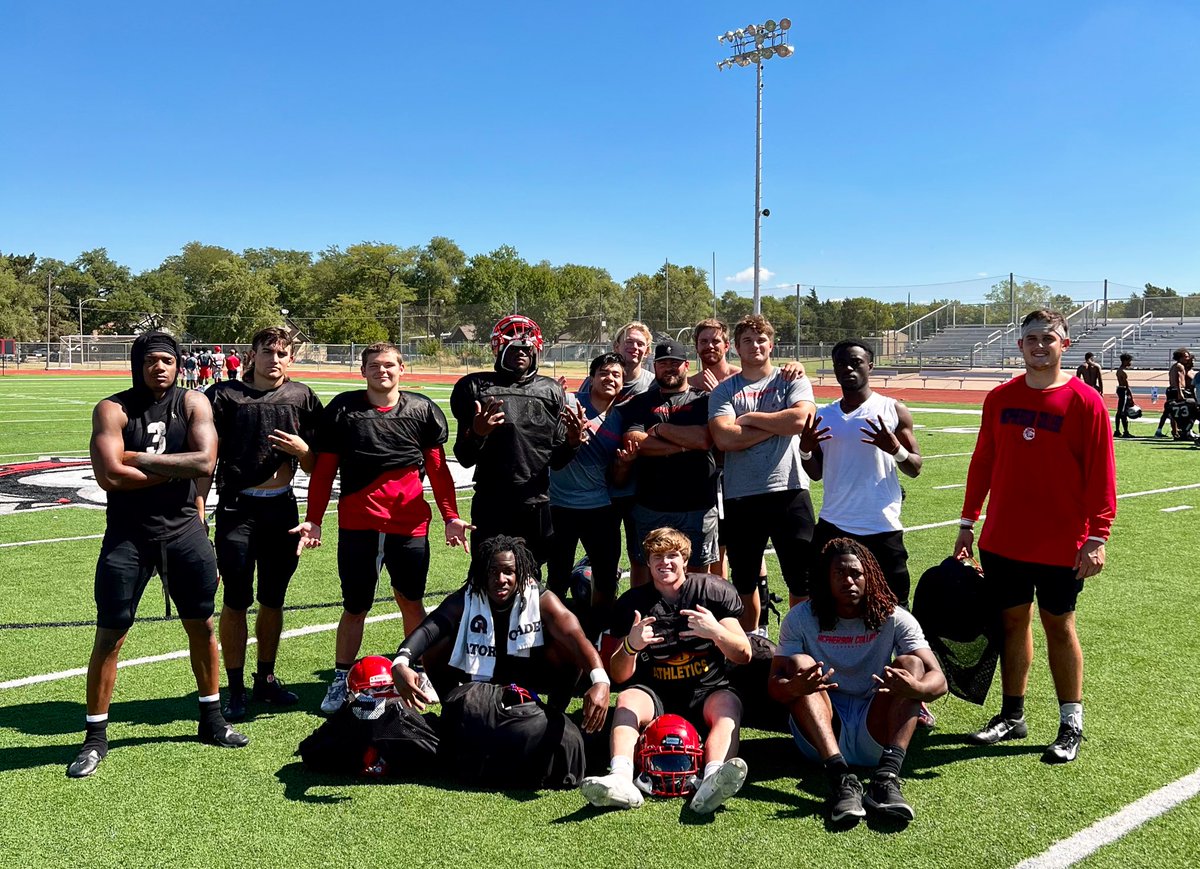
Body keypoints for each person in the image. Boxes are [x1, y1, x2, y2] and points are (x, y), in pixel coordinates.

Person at [68, 332, 246, 778]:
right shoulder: (113, 408)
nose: (160, 367)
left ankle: (212, 719)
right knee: (110, 634)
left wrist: (138, 459)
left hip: (185, 531)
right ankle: (95, 737)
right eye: (151, 360)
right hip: (128, 536)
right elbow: (110, 476)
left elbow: (204, 463)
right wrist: (173, 469)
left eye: (167, 360)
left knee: (202, 625)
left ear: (178, 363)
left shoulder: (193, 403)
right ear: (138, 364)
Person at [955, 309, 1116, 764]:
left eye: (1049, 338)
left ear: (1064, 344)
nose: (1040, 346)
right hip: (1003, 538)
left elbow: (1101, 472)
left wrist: (1098, 536)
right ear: (1020, 345)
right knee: (1011, 624)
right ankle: (1012, 715)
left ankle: (1070, 722)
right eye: (1032, 339)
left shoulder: (1085, 401)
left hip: (1061, 541)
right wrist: (967, 522)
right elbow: (983, 461)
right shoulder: (1000, 397)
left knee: (1059, 627)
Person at [291, 342, 471, 714]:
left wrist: (450, 516)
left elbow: (438, 471)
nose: (382, 371)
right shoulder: (343, 410)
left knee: (411, 601)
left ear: (402, 369)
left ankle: (419, 669)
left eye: (389, 364)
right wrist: (314, 519)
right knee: (355, 606)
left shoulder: (421, 410)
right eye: (374, 365)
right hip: (359, 524)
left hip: (409, 525)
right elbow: (323, 472)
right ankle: (342, 676)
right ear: (363, 371)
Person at [768, 538, 947, 824]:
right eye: (839, 574)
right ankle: (840, 778)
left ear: (869, 577)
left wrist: (917, 689)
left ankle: (886, 778)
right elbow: (773, 685)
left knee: (912, 665)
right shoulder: (800, 617)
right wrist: (793, 687)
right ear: (826, 579)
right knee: (800, 665)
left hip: (874, 729)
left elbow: (939, 680)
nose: (848, 581)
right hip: (822, 733)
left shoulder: (894, 616)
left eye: (856, 573)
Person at [198, 327, 323, 720]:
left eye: (282, 353)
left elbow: (317, 465)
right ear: (252, 355)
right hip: (238, 509)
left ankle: (265, 678)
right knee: (236, 600)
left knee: (273, 599)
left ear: (292, 358)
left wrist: (303, 451)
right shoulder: (224, 395)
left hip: (282, 509)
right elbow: (206, 460)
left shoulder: (302, 396)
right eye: (268, 352)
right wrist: (198, 510)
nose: (275, 359)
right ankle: (234, 687)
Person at [581, 527, 751, 814]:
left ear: (685, 559)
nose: (665, 563)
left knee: (728, 703)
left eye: (672, 555)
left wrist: (715, 632)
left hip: (706, 691)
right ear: (647, 562)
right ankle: (620, 777)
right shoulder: (632, 604)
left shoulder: (712, 592)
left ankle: (713, 778)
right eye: (657, 557)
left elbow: (744, 653)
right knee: (627, 699)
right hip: (656, 693)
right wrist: (631, 646)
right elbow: (619, 675)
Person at [389, 535, 610, 732]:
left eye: (508, 572)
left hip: (530, 671)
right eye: (493, 571)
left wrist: (600, 680)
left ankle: (554, 714)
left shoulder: (540, 598)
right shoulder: (469, 595)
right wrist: (400, 662)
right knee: (436, 645)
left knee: (569, 649)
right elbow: (430, 628)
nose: (500, 579)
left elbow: (575, 636)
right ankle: (453, 712)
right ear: (482, 573)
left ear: (520, 573)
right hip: (482, 672)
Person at [709, 314, 817, 631]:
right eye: (747, 340)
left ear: (772, 344)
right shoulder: (725, 391)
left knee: (801, 578)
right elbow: (725, 438)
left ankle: (800, 642)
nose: (755, 345)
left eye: (761, 340)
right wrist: (778, 424)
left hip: (790, 489)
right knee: (744, 580)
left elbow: (801, 420)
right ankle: (752, 642)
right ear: (736, 348)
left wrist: (750, 418)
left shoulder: (792, 378)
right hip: (742, 495)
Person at [449, 314, 587, 563]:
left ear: (535, 351)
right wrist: (477, 435)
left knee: (532, 572)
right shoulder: (474, 387)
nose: (521, 353)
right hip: (491, 501)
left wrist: (573, 442)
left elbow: (557, 461)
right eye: (513, 348)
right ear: (499, 349)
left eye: (526, 348)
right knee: (486, 572)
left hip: (536, 501)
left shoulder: (551, 390)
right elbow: (465, 457)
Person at [800, 339, 922, 607]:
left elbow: (915, 467)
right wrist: (805, 451)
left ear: (870, 366)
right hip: (834, 523)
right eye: (841, 363)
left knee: (894, 605)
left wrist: (896, 449)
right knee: (826, 603)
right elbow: (816, 473)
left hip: (880, 524)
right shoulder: (824, 415)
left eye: (855, 362)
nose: (848, 368)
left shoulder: (893, 410)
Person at [616, 339, 717, 585]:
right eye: (663, 363)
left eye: (675, 363)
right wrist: (684, 445)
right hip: (651, 504)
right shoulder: (641, 402)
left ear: (687, 365)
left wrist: (659, 429)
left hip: (697, 505)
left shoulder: (704, 400)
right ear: (655, 367)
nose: (669, 368)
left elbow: (704, 439)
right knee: (647, 572)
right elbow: (635, 441)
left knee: (697, 577)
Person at [547, 352, 627, 635]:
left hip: (600, 508)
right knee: (557, 577)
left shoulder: (621, 417)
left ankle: (599, 634)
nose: (610, 378)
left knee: (605, 579)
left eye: (616, 374)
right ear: (591, 378)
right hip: (560, 507)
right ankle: (553, 635)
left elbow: (618, 469)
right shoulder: (569, 403)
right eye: (604, 373)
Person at [1154, 348, 1192, 439]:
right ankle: (1177, 432)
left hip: (1172, 390)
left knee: (1169, 411)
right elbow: (1178, 380)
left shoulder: (1175, 366)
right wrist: (1180, 392)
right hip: (1176, 391)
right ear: (1180, 357)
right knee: (1177, 412)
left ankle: (1171, 431)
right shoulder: (1179, 366)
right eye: (1186, 357)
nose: (1187, 358)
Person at [1114, 353, 1134, 438]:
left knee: (1120, 411)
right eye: (1129, 361)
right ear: (1125, 361)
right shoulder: (1123, 372)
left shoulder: (1119, 370)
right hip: (1123, 390)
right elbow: (1126, 385)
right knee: (1122, 412)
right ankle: (1125, 431)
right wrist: (1130, 396)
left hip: (1120, 390)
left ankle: (1118, 430)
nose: (1130, 363)